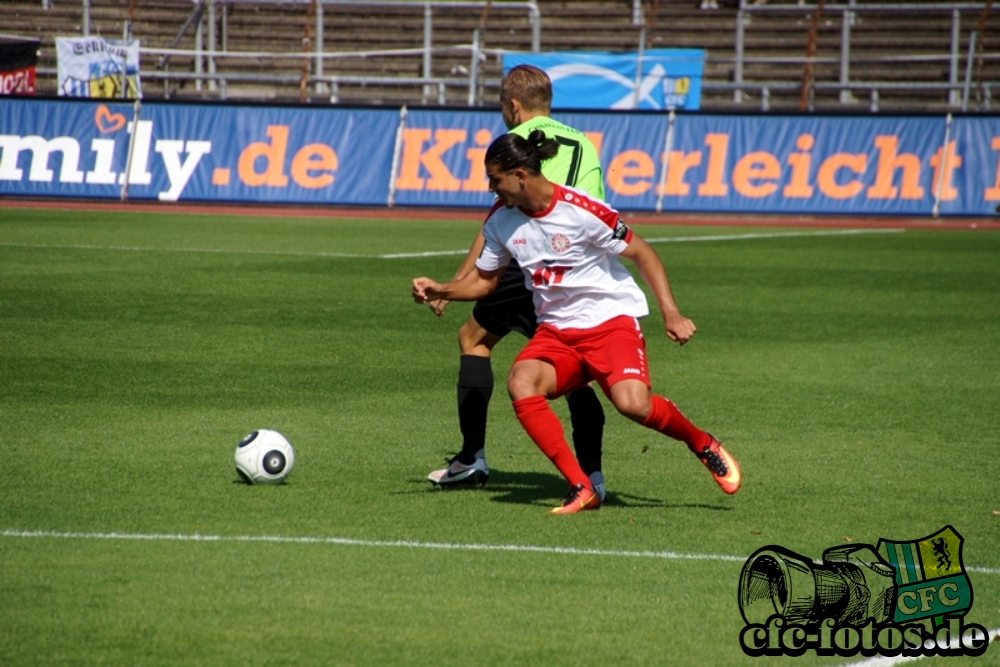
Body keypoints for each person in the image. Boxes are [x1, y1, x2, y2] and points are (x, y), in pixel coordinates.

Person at [413, 131, 742, 514]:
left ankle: (702, 442)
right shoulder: (502, 222)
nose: (490, 188)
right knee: (521, 382)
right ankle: (581, 486)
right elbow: (484, 282)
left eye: (495, 179)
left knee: (633, 405)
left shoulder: (581, 210)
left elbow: (642, 252)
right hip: (556, 331)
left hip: (610, 322)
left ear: (520, 175)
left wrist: (671, 312)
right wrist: (443, 289)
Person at [425, 64, 609, 499]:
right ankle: (594, 477)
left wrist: (459, 280)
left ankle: (472, 459)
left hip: (531, 259)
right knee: (573, 371)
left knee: (475, 339)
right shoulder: (584, 143)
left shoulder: (514, 149)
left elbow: (499, 220)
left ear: (512, 106)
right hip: (578, 267)